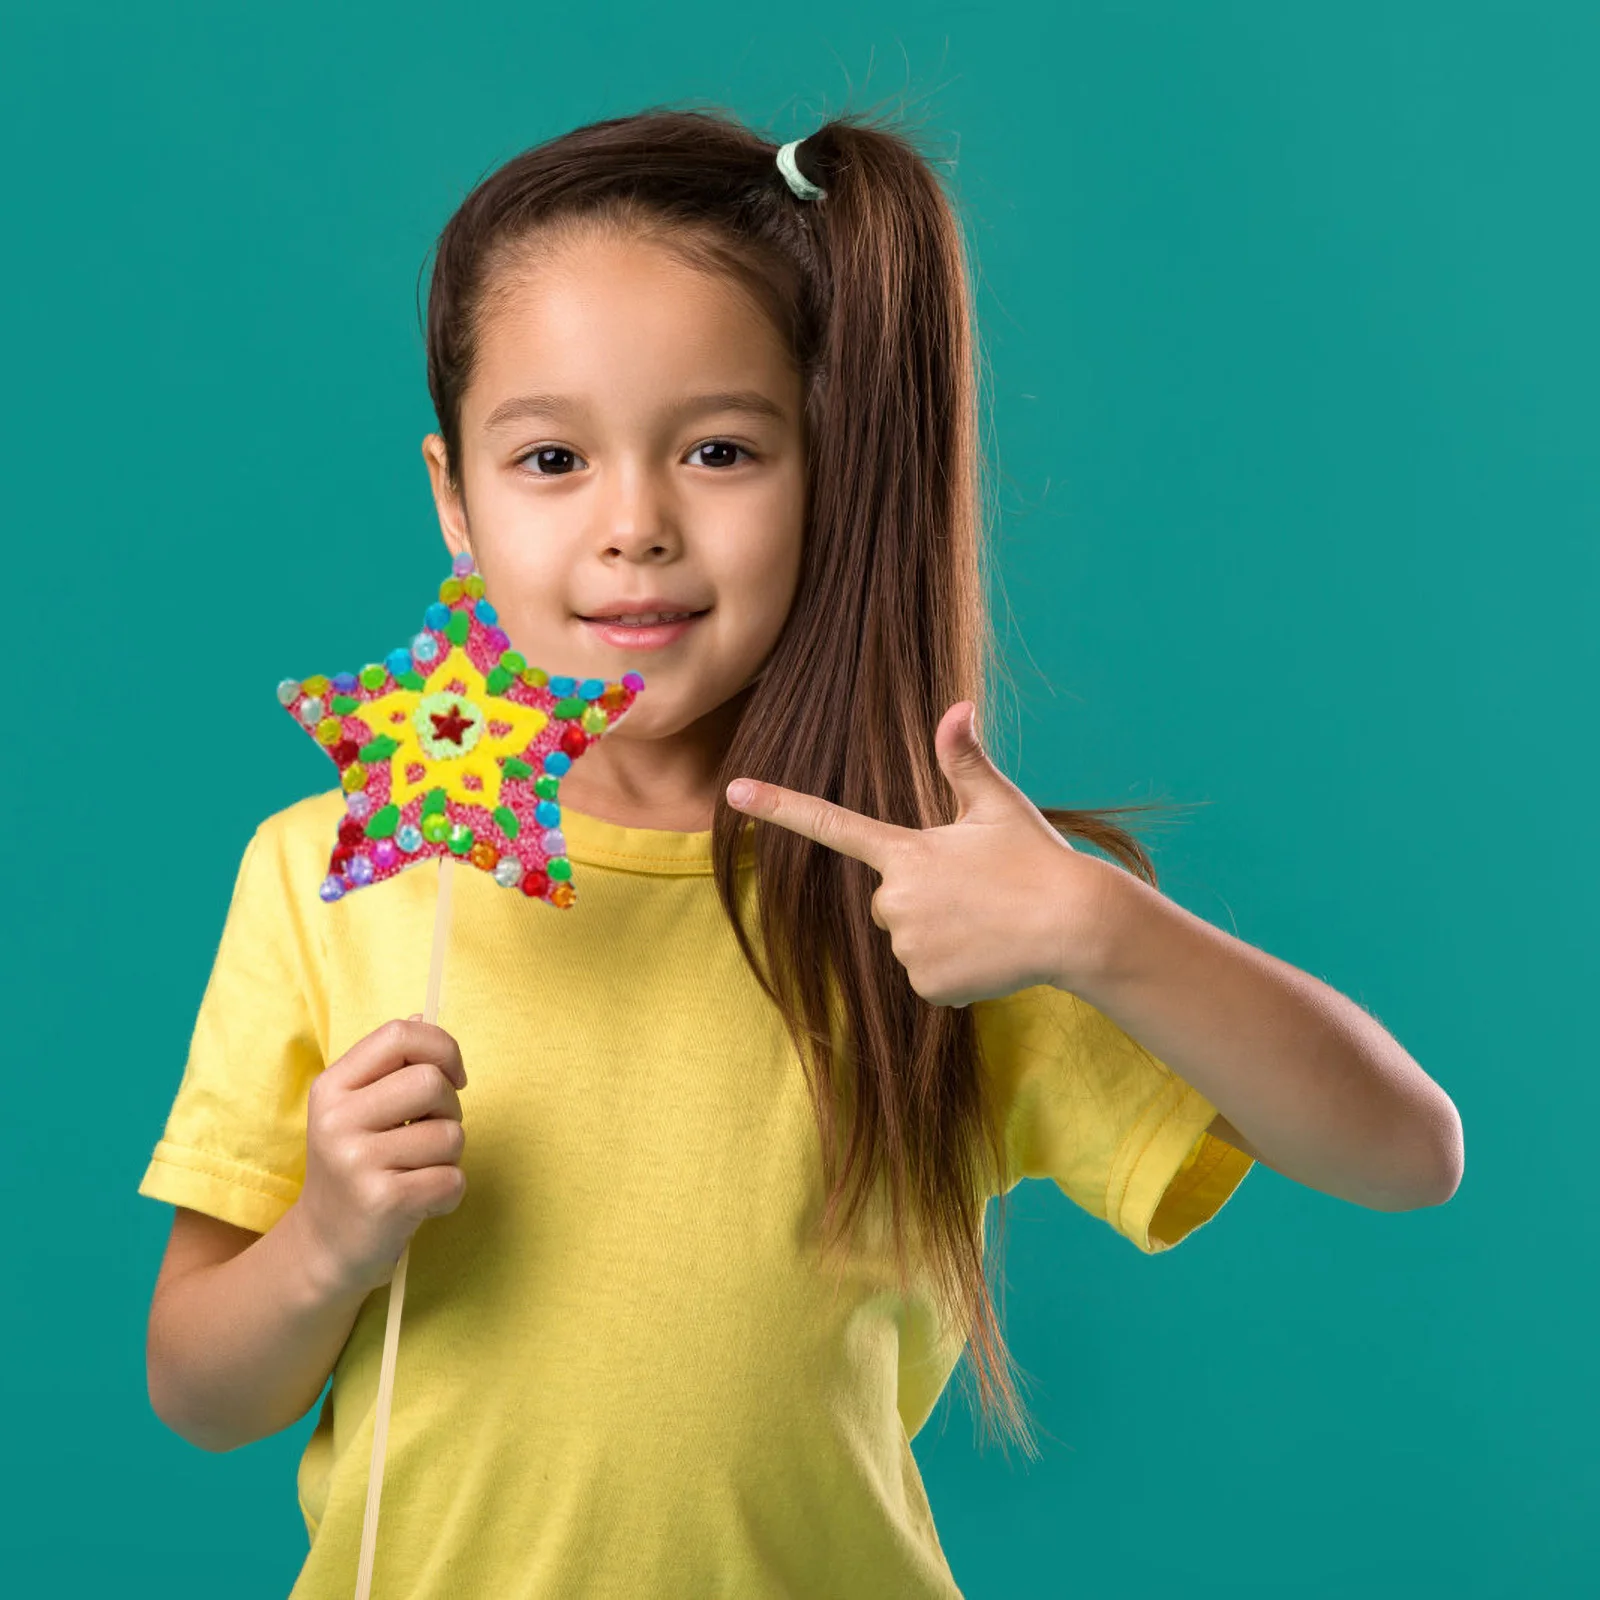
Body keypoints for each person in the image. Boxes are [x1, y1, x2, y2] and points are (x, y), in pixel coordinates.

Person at [137, 105, 1464, 1598]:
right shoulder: (334, 871)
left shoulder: (954, 893)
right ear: (456, 500)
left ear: (830, 473)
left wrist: (1099, 930)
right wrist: (325, 1239)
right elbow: (200, 1393)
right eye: (553, 456)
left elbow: (1407, 1154)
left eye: (718, 449)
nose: (634, 525)